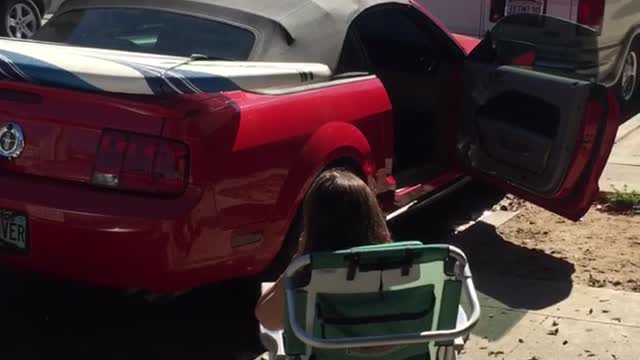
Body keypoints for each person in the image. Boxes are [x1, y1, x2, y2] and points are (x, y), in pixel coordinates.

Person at [255, 169, 392, 330]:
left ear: (314, 222)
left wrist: (298, 261)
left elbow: (267, 319)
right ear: (371, 215)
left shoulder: (308, 275)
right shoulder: (397, 264)